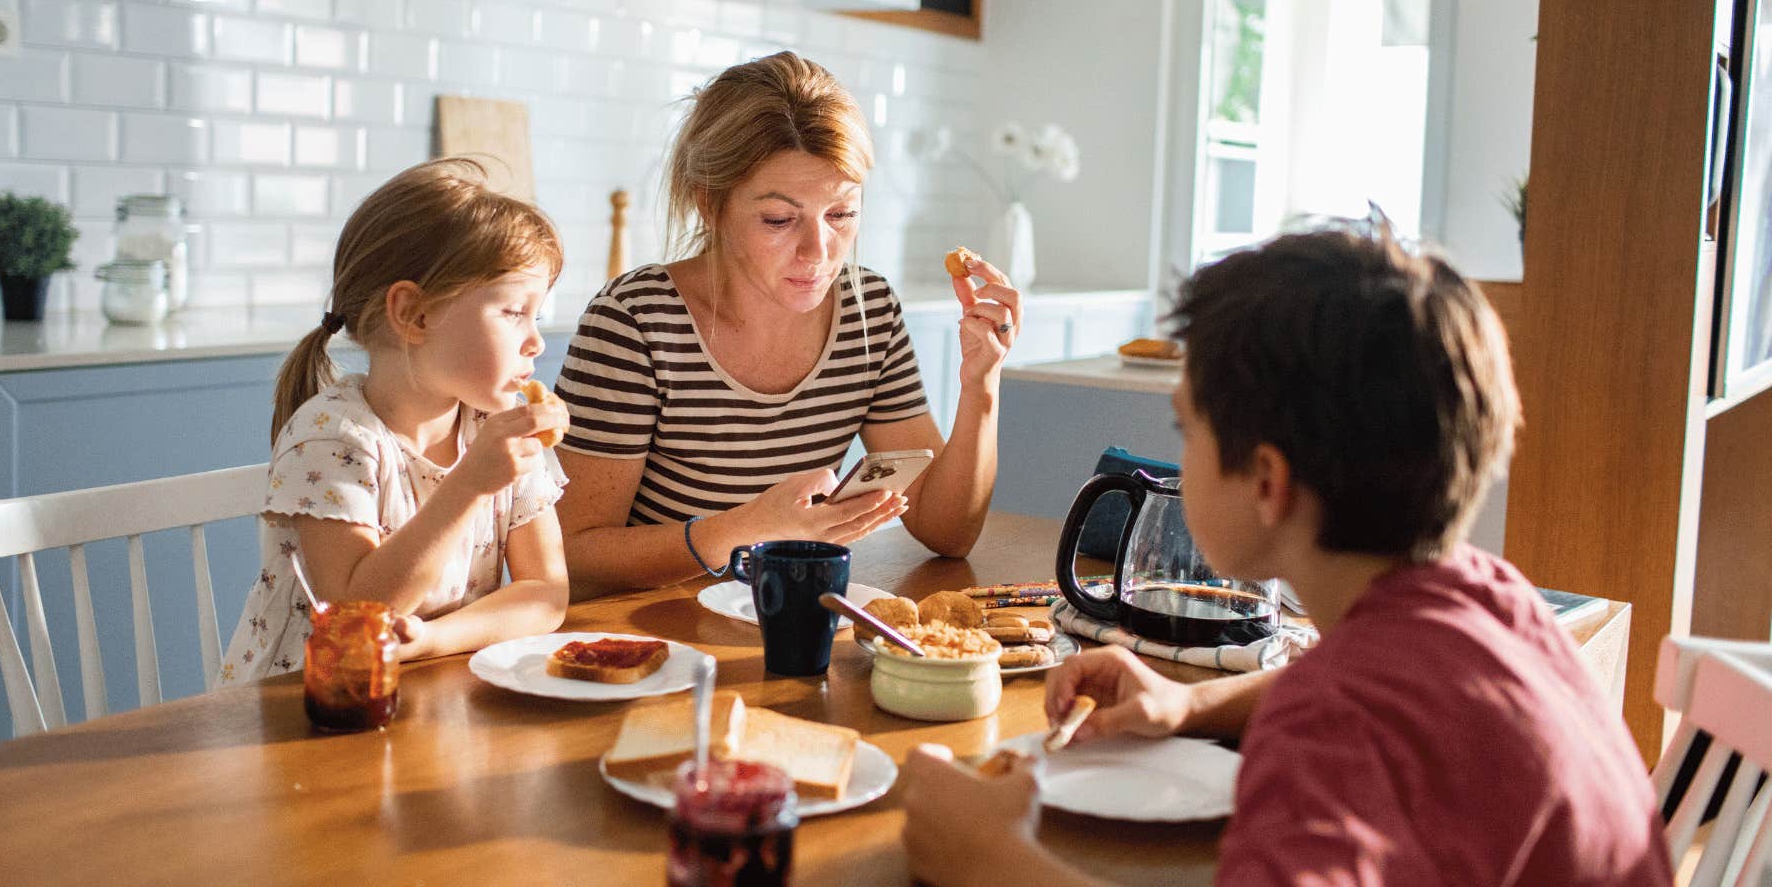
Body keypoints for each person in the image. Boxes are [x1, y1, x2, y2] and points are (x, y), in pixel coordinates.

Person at [902, 219, 1671, 886]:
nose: (1184, 453)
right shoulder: (1489, 599)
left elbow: (1346, 711)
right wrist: (1191, 703)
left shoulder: (1332, 733)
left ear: (1267, 482)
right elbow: (1376, 690)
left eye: (1187, 431)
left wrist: (986, 858)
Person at [552, 51, 1019, 594]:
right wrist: (748, 527)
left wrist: (981, 382)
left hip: (785, 622)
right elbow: (573, 553)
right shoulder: (634, 322)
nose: (818, 251)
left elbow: (948, 532)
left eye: (841, 214)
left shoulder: (868, 310)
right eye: (779, 219)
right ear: (710, 203)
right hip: (647, 640)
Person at [218, 158, 572, 683]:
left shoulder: (496, 430)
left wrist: (432, 641)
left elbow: (545, 593)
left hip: (424, 694)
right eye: (512, 312)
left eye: (536, 315)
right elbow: (361, 613)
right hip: (302, 711)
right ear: (414, 314)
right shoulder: (333, 437)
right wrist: (470, 483)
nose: (535, 341)